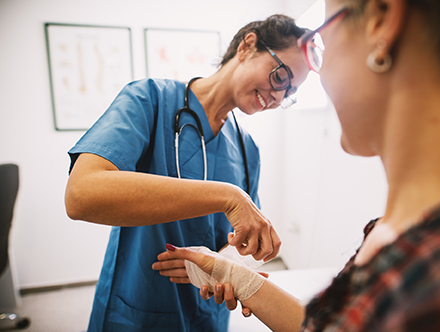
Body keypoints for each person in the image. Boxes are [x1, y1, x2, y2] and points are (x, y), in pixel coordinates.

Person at [153, 0, 440, 330]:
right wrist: (237, 276)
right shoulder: (401, 236)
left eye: (321, 43)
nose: (279, 99)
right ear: (247, 46)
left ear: (381, 21)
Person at [65, 15, 309, 332]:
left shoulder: (248, 149)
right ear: (248, 46)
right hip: (139, 307)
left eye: (289, 92)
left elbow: (236, 243)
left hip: (208, 313)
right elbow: (81, 195)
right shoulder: (149, 100)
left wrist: (228, 268)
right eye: (280, 77)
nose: (278, 96)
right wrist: (228, 196)